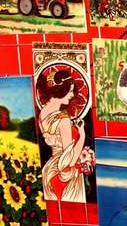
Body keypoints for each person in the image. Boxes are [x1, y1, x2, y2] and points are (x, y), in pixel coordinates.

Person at [36, 68, 88, 202]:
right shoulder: (63, 119)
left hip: (49, 170)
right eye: (69, 91)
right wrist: (82, 135)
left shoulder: (42, 113)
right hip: (64, 173)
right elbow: (69, 160)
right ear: (60, 91)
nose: (71, 95)